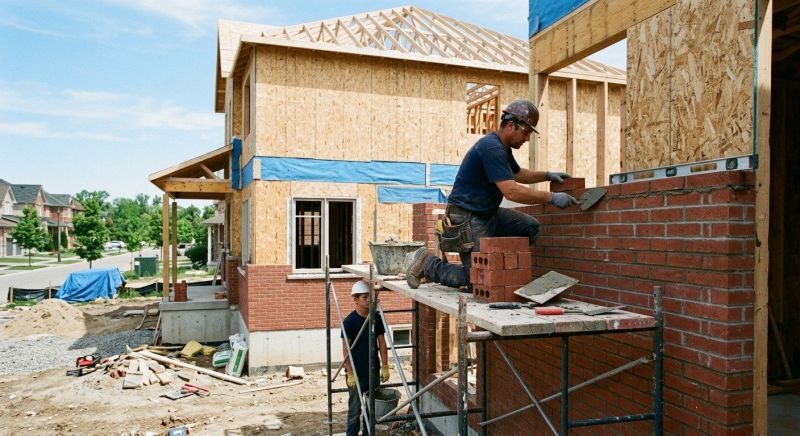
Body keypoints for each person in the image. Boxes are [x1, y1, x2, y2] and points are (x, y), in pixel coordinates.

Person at [405, 99, 578, 290]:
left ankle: (504, 270)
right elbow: (511, 191)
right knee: (478, 281)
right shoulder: (492, 148)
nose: (527, 138)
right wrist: (551, 197)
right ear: (511, 126)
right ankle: (428, 263)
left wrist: (546, 175)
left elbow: (516, 174)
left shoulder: (502, 148)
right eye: (526, 132)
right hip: (466, 218)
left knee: (530, 227)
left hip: (486, 214)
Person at [341, 280, 390, 436]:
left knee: (371, 409)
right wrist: (349, 373)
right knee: (355, 410)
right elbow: (345, 350)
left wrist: (385, 365)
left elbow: (382, 342)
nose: (369, 300)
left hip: (372, 369)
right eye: (364, 297)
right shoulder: (349, 322)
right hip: (355, 372)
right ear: (355, 300)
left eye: (370, 296)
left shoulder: (376, 317)